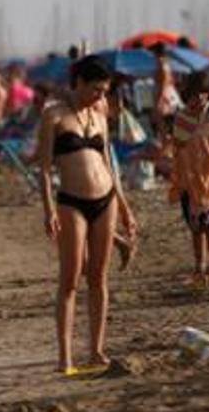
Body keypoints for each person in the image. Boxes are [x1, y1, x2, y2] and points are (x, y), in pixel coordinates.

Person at [38, 55, 138, 376]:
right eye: (95, 89)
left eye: (104, 90)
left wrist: (124, 206)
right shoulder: (53, 114)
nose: (100, 96)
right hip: (71, 201)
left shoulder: (100, 110)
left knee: (99, 277)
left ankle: (96, 350)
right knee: (70, 278)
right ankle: (65, 357)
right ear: (78, 82)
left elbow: (107, 160)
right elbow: (42, 168)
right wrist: (48, 209)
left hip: (106, 199)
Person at [170, 72, 209, 281]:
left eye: (201, 95)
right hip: (189, 178)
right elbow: (178, 147)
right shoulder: (182, 118)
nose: (197, 100)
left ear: (207, 94)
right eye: (193, 96)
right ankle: (199, 265)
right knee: (195, 226)